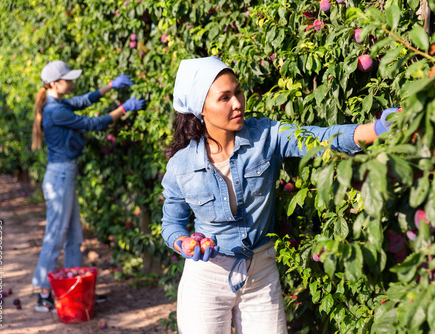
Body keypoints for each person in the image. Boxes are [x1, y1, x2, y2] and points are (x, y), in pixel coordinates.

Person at [160, 56, 399, 333]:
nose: (237, 103)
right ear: (200, 109)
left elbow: (319, 139)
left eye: (238, 91)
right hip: (207, 277)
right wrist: (184, 243)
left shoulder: (267, 136)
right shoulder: (181, 165)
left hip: (260, 272)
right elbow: (172, 225)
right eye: (224, 98)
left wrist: (378, 129)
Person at [31, 60, 145, 312]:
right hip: (60, 177)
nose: (72, 82)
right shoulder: (54, 110)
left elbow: (83, 100)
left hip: (64, 176)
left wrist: (109, 86)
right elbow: (93, 123)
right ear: (53, 84)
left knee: (73, 236)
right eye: (68, 79)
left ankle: (74, 289)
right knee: (56, 235)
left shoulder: (58, 103)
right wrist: (124, 108)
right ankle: (43, 295)